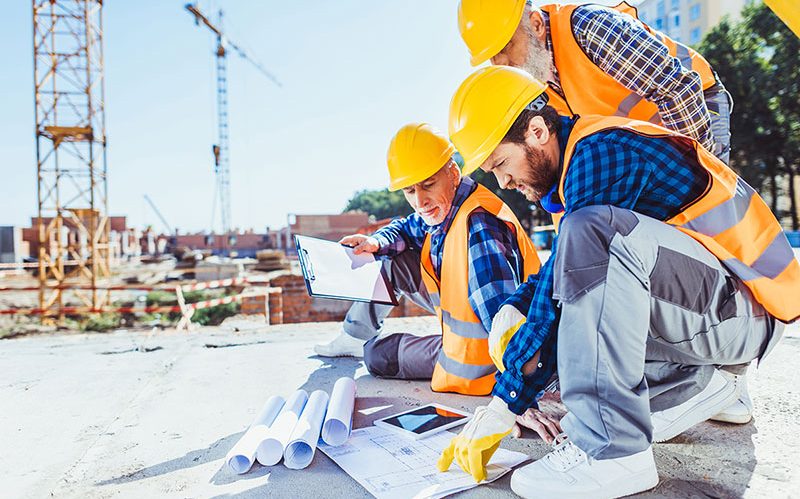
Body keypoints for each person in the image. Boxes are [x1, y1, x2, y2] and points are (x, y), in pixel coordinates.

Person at [437, 66, 795, 498]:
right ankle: (708, 386)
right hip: (724, 313)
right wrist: (517, 305)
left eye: (500, 164)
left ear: (536, 131)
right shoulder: (582, 158)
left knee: (591, 243)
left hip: (745, 314)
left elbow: (575, 274)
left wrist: (505, 400)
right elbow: (560, 275)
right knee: (576, 312)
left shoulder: (601, 154)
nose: (504, 183)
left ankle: (615, 455)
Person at [314, 123, 542, 398]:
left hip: (480, 362)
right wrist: (375, 242)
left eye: (428, 185)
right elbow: (406, 227)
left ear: (453, 173)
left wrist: (518, 393)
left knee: (376, 356)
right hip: (463, 331)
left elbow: (501, 320)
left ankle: (364, 344)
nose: (420, 201)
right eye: (410, 191)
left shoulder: (480, 225)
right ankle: (352, 337)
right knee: (392, 259)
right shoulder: (447, 207)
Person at [457, 0, 733, 165]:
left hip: (695, 104)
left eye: (507, 46)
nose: (501, 64)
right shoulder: (536, 88)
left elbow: (677, 89)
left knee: (711, 209)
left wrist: (698, 172)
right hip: (649, 139)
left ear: (536, 24)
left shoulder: (589, 28)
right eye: (491, 57)